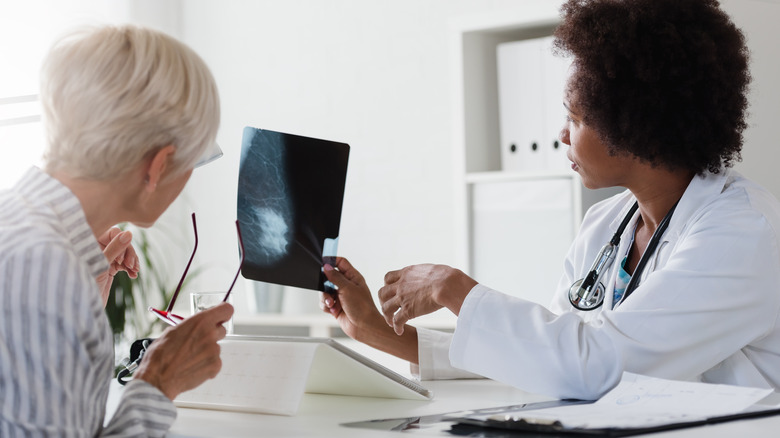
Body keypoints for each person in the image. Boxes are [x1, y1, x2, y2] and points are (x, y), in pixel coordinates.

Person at [322, 0, 780, 400]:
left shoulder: (743, 232)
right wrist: (378, 334)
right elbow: (547, 361)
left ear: (636, 124)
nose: (561, 135)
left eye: (575, 118)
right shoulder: (606, 226)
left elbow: (591, 365)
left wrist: (453, 289)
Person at [0, 25, 233, 436]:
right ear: (159, 166)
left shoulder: (25, 235)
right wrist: (159, 382)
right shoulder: (45, 268)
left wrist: (79, 303)